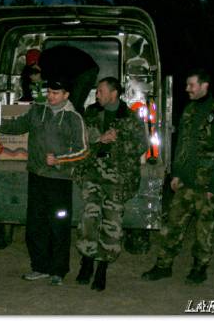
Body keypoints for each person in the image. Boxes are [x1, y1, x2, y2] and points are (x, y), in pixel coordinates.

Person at [141, 68, 214, 285]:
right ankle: (163, 265)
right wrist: (176, 174)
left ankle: (199, 267)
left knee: (203, 231)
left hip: (206, 184)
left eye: (191, 85)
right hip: (186, 184)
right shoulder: (189, 110)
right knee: (172, 225)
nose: (187, 89)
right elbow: (182, 144)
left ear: (204, 86)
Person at [0, 79, 88, 286]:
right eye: (49, 92)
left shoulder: (74, 118)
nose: (50, 96)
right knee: (36, 225)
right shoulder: (38, 111)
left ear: (66, 95)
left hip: (59, 180)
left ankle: (58, 270)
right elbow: (16, 126)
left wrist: (60, 160)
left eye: (56, 93)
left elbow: (83, 150)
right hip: (37, 176)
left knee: (59, 225)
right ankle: (40, 267)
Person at [73, 77, 148, 292]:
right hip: (93, 173)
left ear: (114, 93)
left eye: (101, 91)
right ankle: (87, 261)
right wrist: (99, 138)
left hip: (117, 178)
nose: (97, 94)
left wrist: (118, 138)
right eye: (97, 91)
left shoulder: (130, 117)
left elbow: (141, 146)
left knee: (111, 223)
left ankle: (102, 267)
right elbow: (80, 138)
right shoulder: (91, 113)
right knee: (89, 218)